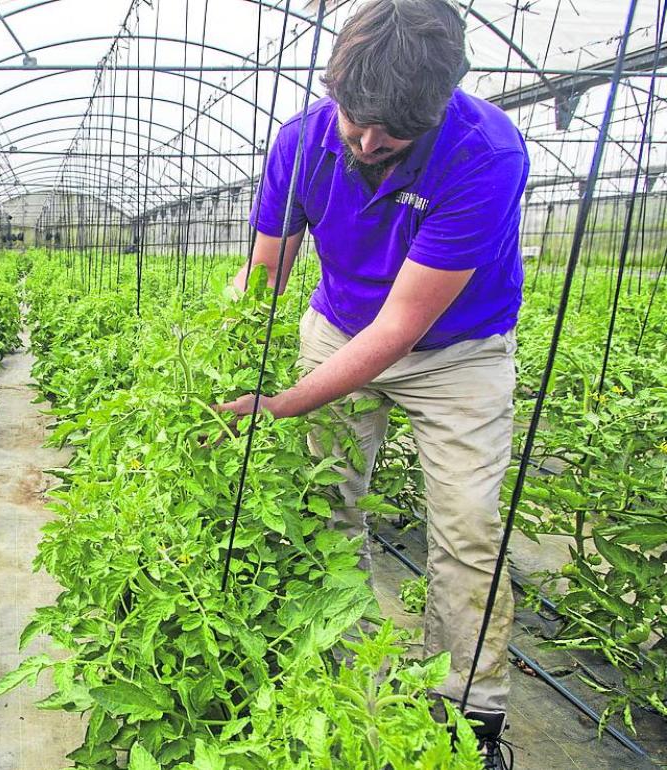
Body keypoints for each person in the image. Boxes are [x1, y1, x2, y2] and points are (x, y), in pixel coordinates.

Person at [219, 1, 527, 767]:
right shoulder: (303, 140)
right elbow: (267, 270)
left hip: (456, 352)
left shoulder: (485, 153)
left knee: (466, 528)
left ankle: (468, 713)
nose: (364, 141)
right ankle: (343, 676)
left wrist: (283, 402)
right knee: (328, 508)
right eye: (354, 119)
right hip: (337, 329)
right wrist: (209, 348)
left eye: (389, 133)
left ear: (441, 104)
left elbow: (401, 330)